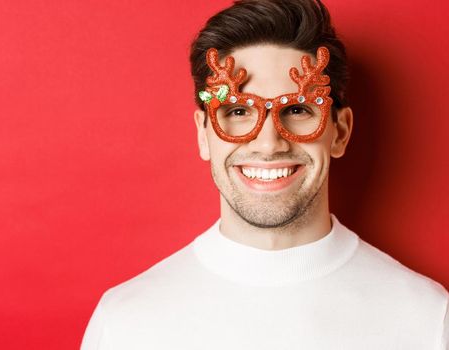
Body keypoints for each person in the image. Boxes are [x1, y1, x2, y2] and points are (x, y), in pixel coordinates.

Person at [80, 0, 449, 349]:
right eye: (238, 112)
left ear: (339, 131)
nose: (269, 143)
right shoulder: (126, 323)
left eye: (298, 109)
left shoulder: (428, 319)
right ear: (203, 134)